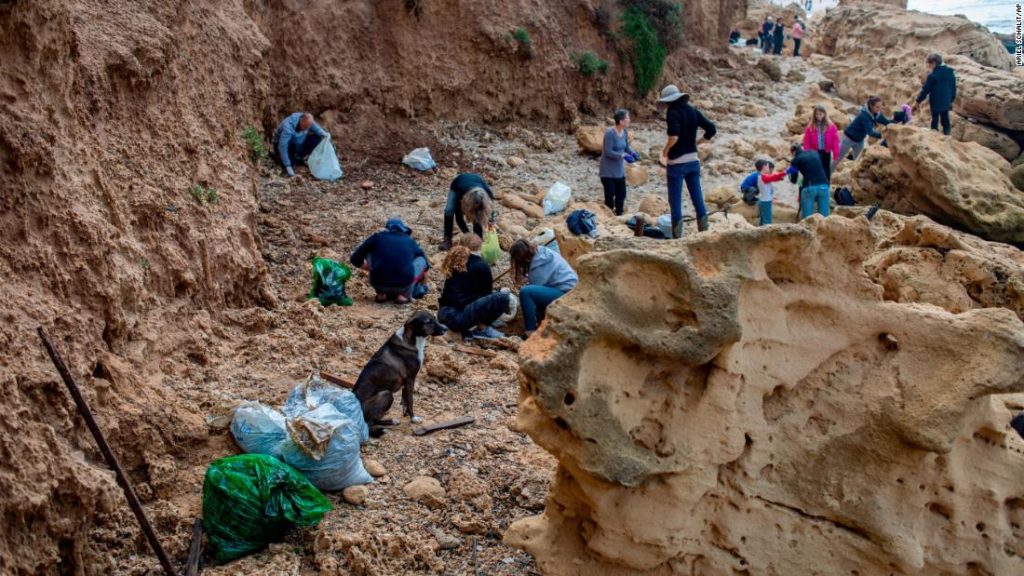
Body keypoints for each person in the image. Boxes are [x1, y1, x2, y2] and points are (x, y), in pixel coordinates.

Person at [658, 84, 717, 237]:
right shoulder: (692, 110)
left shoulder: (672, 112)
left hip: (676, 164)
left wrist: (666, 150)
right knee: (697, 197)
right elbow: (711, 129)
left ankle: (678, 237)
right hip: (693, 161)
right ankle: (703, 232)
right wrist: (698, 142)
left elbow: (674, 136)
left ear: (668, 101)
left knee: (675, 201)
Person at [437, 234, 511, 340]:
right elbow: (486, 294)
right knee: (503, 297)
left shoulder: (456, 260)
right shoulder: (481, 265)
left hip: (443, 313)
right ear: (480, 247)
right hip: (459, 319)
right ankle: (482, 329)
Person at [350, 218, 429, 303]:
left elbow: (354, 259)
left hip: (378, 283)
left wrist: (369, 267)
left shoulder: (377, 237)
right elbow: (425, 264)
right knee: (421, 259)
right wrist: (424, 284)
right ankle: (403, 296)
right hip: (403, 285)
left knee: (370, 252)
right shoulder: (409, 241)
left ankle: (381, 294)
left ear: (388, 228)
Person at [510, 240, 578, 337]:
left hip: (566, 293)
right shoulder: (543, 252)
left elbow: (535, 297)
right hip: (571, 288)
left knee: (526, 292)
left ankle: (530, 331)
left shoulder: (537, 266)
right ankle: (541, 323)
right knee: (534, 294)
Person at [442, 173, 496, 251]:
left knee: (478, 215)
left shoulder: (487, 196)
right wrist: (468, 235)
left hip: (476, 179)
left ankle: (478, 239)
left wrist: (491, 228)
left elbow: (490, 215)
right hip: (457, 185)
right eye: (474, 205)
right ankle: (447, 239)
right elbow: (459, 219)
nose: (476, 207)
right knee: (449, 210)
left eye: (477, 205)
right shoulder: (461, 197)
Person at [600, 110, 639, 216]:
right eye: (627, 118)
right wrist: (622, 155)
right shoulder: (610, 133)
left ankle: (619, 215)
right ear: (621, 121)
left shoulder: (625, 131)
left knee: (621, 194)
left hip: (619, 170)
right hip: (608, 171)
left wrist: (632, 152)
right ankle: (608, 217)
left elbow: (626, 146)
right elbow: (608, 151)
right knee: (609, 195)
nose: (629, 120)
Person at [836, 96, 892, 167]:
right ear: (871, 106)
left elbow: (886, 122)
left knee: (857, 163)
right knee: (837, 159)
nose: (879, 109)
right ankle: (825, 176)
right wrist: (882, 135)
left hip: (859, 140)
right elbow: (870, 132)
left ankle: (853, 177)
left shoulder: (877, 114)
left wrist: (897, 120)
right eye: (877, 107)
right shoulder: (864, 115)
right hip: (848, 138)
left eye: (880, 106)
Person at [912, 53, 957, 136]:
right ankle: (947, 134)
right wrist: (951, 100)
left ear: (934, 63)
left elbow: (925, 90)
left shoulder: (932, 76)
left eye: (929, 64)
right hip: (946, 101)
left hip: (936, 102)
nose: (928, 66)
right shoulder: (950, 72)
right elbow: (953, 88)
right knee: (945, 119)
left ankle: (934, 135)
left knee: (935, 119)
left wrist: (917, 101)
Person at [273, 112, 329, 177]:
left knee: (317, 138)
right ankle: (287, 161)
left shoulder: (307, 121)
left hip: (297, 143)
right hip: (286, 145)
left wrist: (324, 134)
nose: (306, 129)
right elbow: (282, 146)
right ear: (301, 120)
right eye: (305, 127)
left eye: (308, 127)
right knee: (290, 163)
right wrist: (287, 165)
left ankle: (299, 158)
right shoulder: (288, 127)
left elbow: (316, 128)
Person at [788, 143, 831, 218]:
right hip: (824, 185)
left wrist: (790, 175)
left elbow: (793, 179)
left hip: (809, 187)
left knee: (807, 219)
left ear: (793, 152)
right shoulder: (814, 153)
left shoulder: (795, 160)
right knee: (824, 218)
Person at [802, 105, 840, 182]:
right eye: (817, 114)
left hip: (826, 152)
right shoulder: (810, 126)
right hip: (814, 152)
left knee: (826, 169)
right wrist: (807, 154)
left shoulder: (831, 126)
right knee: (815, 168)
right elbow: (806, 141)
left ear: (824, 114)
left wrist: (836, 155)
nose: (819, 116)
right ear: (814, 115)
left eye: (820, 114)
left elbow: (835, 141)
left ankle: (826, 185)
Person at [755, 159, 787, 226]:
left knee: (763, 219)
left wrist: (779, 178)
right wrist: (785, 172)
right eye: (767, 166)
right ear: (764, 167)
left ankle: (761, 232)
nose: (769, 168)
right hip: (766, 201)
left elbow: (772, 178)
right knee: (767, 221)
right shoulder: (763, 177)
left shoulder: (761, 176)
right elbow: (773, 177)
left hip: (763, 200)